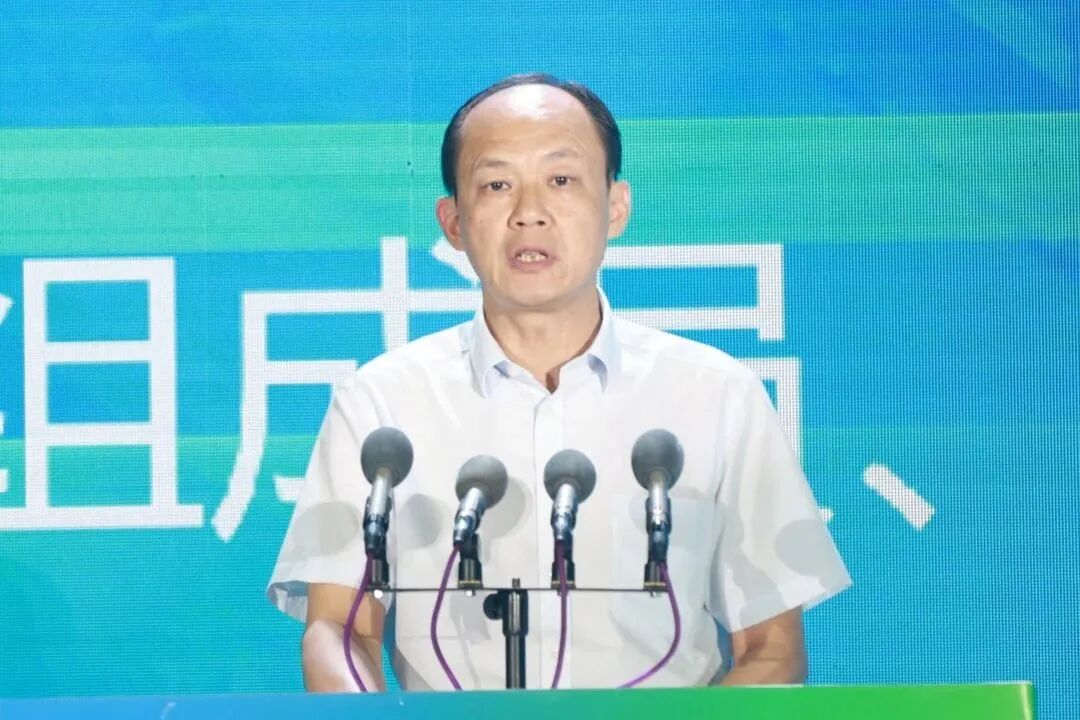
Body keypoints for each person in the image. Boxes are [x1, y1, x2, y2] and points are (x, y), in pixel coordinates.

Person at [268, 73, 851, 691]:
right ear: (454, 221)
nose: (529, 214)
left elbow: (770, 647)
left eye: (562, 180)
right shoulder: (381, 404)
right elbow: (340, 629)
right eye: (496, 185)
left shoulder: (718, 395)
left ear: (616, 207)